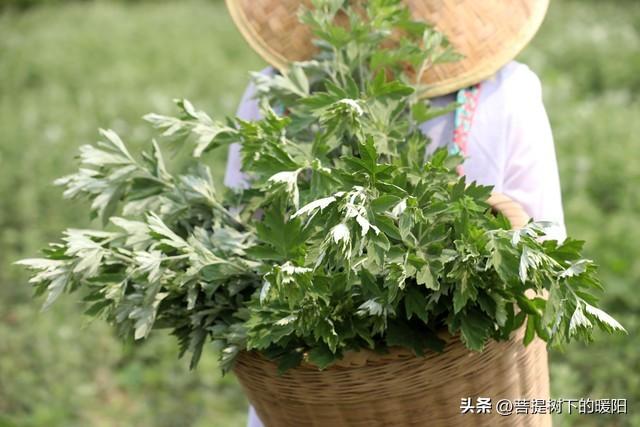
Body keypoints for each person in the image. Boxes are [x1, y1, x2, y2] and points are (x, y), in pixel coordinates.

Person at [223, 1, 566, 425]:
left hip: (314, 395)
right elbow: (544, 253)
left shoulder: (276, 90)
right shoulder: (504, 92)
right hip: (464, 394)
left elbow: (238, 237)